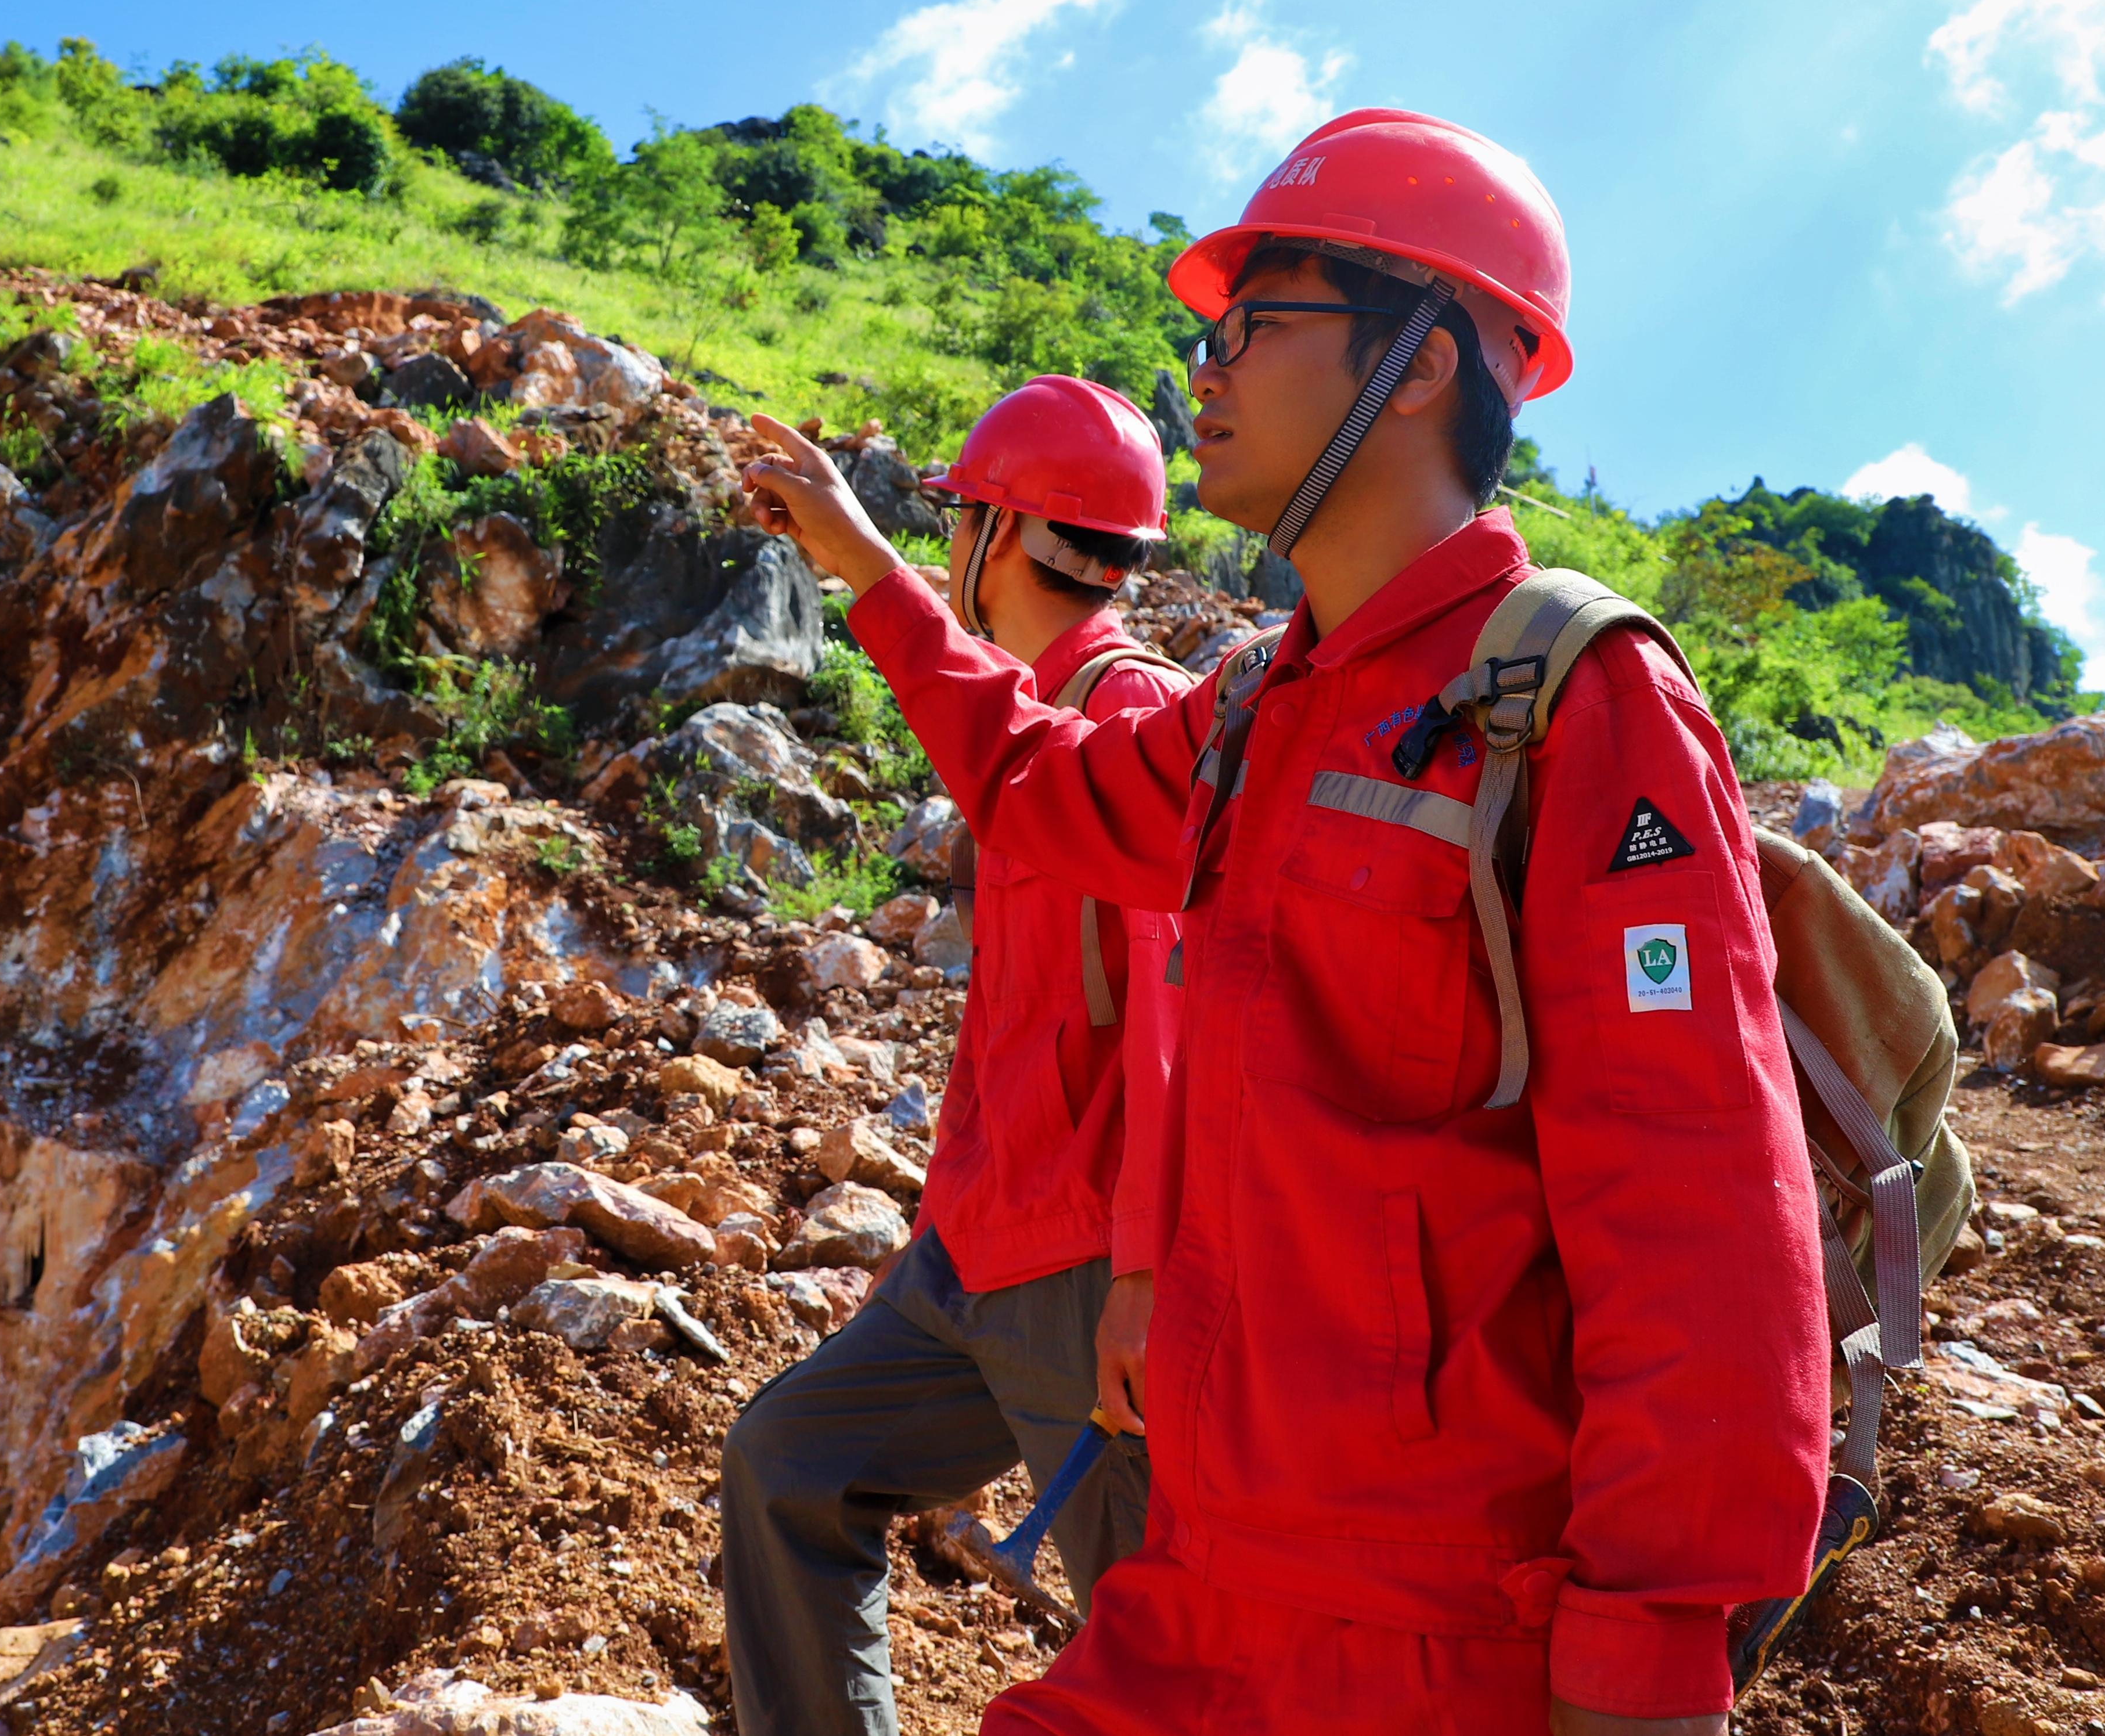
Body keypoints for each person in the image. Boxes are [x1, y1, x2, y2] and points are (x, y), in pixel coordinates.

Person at [738, 109, 1831, 1736]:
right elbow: (1041, 786)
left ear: (1416, 359)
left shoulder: (1569, 702)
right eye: (1210, 330)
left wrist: (1643, 1673)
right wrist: (874, 572)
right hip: (1204, 1582)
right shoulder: (1261, 700)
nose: (1207, 368)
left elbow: (1699, 1218)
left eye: (1257, 325)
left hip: (1426, 1633)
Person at [718, 377, 1194, 1736]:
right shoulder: (1021, 704)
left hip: (1084, 1272)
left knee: (1150, 1643)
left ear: (997, 536)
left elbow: (1170, 1010)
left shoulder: (1127, 708)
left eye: (958, 526)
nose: (944, 555)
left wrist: (1143, 1277)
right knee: (789, 1462)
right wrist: (932, 1233)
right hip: (973, 1256)